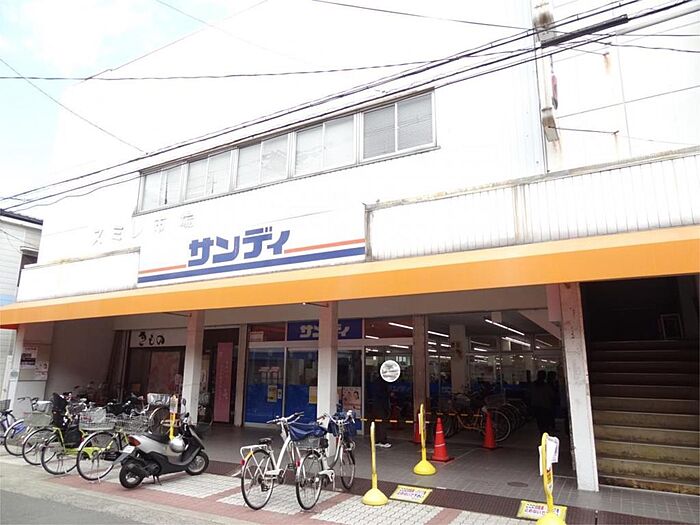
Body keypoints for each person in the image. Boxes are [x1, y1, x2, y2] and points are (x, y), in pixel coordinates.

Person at [530, 370, 554, 435]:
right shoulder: (546, 386)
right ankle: (545, 434)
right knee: (545, 423)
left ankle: (542, 433)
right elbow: (552, 395)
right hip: (545, 406)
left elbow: (529, 395)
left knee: (540, 422)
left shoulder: (533, 385)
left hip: (536, 406)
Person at [371, 374, 392, 448]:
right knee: (382, 423)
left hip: (376, 405)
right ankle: (383, 441)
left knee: (377, 423)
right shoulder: (382, 383)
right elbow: (383, 396)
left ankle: (377, 440)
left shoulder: (376, 382)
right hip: (381, 406)